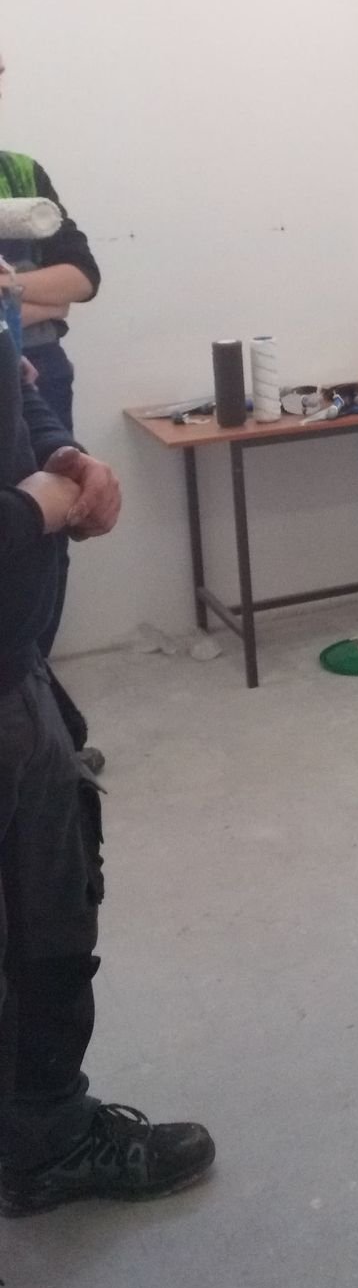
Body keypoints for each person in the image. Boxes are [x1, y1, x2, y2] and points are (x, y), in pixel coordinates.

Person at [0, 325, 213, 1288]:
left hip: (13, 667)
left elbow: (16, 377)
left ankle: (47, 1139)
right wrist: (36, 508)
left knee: (51, 921)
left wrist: (62, 451)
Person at [0, 58, 104, 770]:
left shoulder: (21, 173)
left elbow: (81, 280)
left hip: (37, 376)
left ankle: (39, 719)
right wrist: (32, 298)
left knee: (49, 531)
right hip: (17, 360)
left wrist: (12, 290)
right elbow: (55, 294)